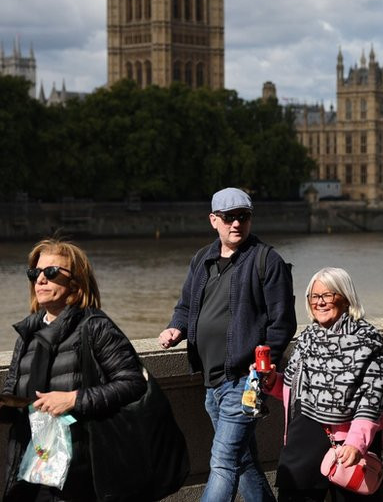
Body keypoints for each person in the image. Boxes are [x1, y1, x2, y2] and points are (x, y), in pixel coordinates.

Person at [158, 187, 297, 502]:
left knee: (222, 463)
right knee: (243, 461)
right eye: (229, 217)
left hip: (243, 382)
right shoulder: (202, 259)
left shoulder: (266, 260)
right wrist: (175, 329)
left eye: (243, 217)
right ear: (213, 220)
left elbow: (283, 322)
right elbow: (186, 306)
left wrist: (264, 362)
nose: (237, 224)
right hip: (211, 380)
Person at [2, 239, 147, 500]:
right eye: (35, 273)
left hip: (78, 471)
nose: (41, 280)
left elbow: (134, 383)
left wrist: (73, 399)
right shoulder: (26, 335)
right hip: (28, 468)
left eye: (51, 272)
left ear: (76, 284)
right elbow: (13, 399)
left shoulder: (96, 327)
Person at [262, 267, 383, 502]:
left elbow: (372, 398)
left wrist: (355, 443)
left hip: (346, 444)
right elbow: (296, 391)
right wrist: (272, 381)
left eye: (327, 295)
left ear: (346, 297)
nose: (319, 302)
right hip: (303, 439)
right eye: (314, 296)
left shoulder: (367, 340)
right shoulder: (307, 338)